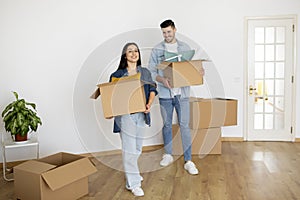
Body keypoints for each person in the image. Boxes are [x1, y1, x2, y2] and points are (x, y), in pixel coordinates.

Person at [148, 19, 203, 175]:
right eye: (164, 33)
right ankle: (168, 155)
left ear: (175, 30)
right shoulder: (157, 50)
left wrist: (199, 71)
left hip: (183, 94)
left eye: (169, 32)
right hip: (165, 95)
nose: (166, 35)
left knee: (184, 126)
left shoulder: (185, 48)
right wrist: (162, 80)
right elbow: (151, 72)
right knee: (166, 125)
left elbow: (191, 68)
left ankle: (188, 161)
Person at [109, 42, 157, 196]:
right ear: (125, 55)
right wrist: (110, 111)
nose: (134, 53)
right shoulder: (117, 75)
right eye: (130, 51)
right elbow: (111, 98)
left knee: (137, 148)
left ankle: (133, 173)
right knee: (129, 150)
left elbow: (152, 89)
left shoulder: (145, 72)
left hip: (142, 115)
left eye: (136, 51)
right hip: (125, 117)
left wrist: (149, 104)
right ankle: (133, 183)